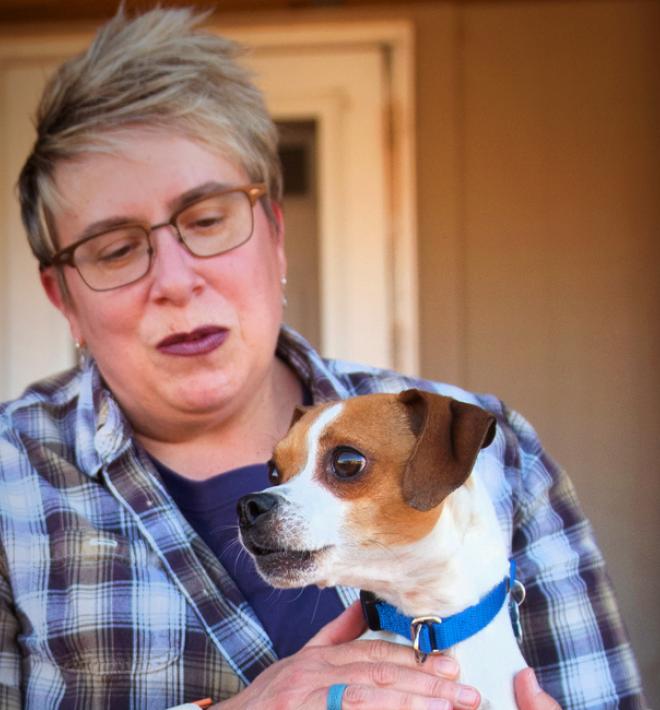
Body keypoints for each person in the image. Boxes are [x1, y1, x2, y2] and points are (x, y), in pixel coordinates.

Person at [0, 7, 645, 709]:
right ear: (62, 296)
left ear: (274, 234)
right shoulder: (14, 484)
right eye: (115, 249)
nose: (176, 280)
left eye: (208, 219)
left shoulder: (494, 454)